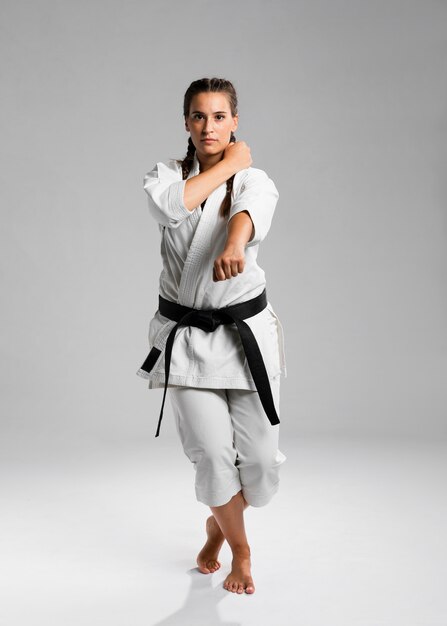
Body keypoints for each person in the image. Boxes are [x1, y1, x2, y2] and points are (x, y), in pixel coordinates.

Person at [136, 77, 287, 595]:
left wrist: (234, 243)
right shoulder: (165, 176)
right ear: (186, 122)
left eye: (219, 116)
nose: (209, 126)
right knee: (214, 455)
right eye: (199, 116)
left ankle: (216, 525)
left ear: (234, 121)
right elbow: (172, 207)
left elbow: (248, 213)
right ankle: (240, 551)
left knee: (262, 467)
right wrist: (227, 163)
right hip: (187, 338)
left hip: (244, 337)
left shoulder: (255, 179)